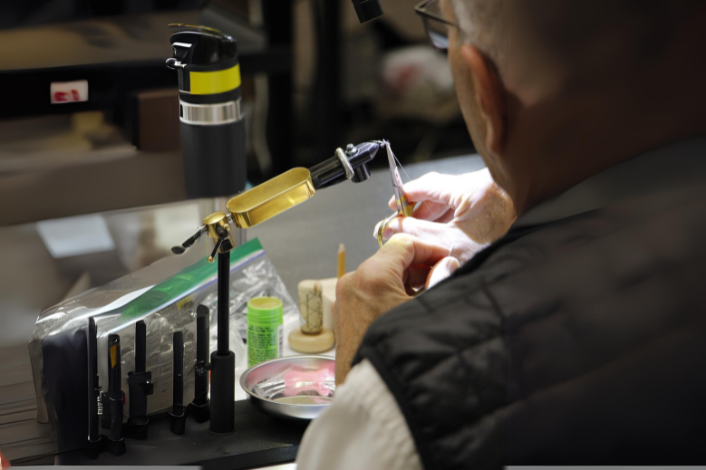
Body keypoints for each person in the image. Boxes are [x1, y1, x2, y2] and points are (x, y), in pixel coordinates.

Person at [297, 0, 706, 468]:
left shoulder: (402, 409)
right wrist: (516, 193)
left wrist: (372, 363)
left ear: (486, 91)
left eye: (441, 30)